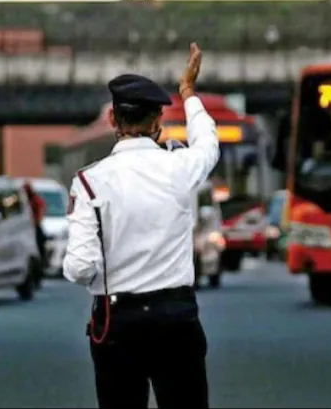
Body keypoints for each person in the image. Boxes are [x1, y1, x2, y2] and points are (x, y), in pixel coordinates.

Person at [63, 42, 218, 409]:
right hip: (176, 318)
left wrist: (95, 279)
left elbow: (80, 266)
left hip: (117, 322)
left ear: (113, 120)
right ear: (158, 123)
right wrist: (188, 93)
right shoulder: (180, 168)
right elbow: (208, 143)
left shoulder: (89, 182)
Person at [22, 181, 48, 269]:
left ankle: (41, 263)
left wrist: (37, 221)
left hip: (35, 226)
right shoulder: (26, 200)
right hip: (28, 227)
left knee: (39, 245)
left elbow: (41, 209)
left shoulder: (35, 199)